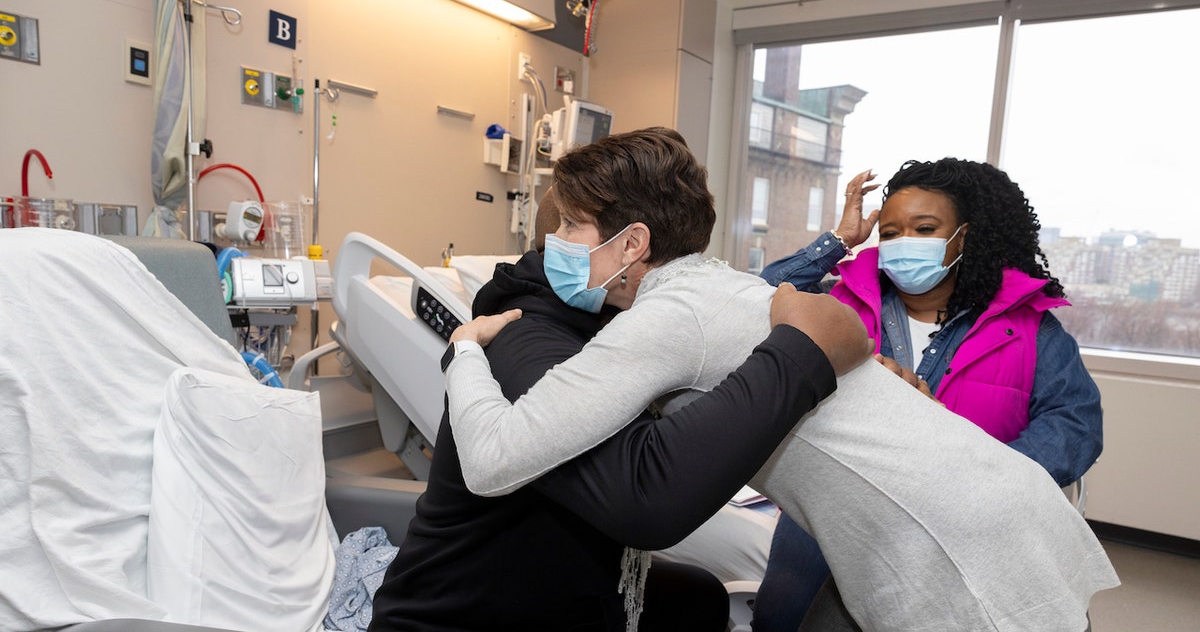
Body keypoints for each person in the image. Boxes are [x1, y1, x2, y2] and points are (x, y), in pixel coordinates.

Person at [445, 128, 1118, 630]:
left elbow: (493, 457)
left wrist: (467, 347)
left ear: (633, 244)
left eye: (568, 223)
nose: (552, 242)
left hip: (953, 539)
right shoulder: (717, 287)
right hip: (999, 501)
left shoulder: (668, 317)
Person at [367, 189, 872, 630]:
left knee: (701, 597)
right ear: (623, 247)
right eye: (564, 225)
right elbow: (640, 494)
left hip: (560, 581)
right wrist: (800, 356)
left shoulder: (612, 324)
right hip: (462, 613)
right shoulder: (527, 340)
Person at [751, 160, 1105, 630]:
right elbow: (757, 299)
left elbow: (1075, 423)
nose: (904, 244)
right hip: (836, 522)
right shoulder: (841, 305)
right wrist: (838, 241)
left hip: (963, 531)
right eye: (892, 233)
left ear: (963, 235)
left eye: (924, 228)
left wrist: (983, 475)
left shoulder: (1030, 328)